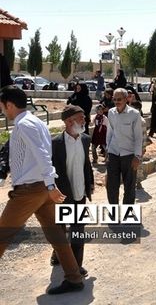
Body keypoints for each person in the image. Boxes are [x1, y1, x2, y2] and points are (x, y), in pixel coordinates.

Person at [0, 86, 84, 295]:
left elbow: (42, 155)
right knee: (56, 234)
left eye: (2, 107)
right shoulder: (36, 121)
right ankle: (74, 278)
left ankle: (74, 277)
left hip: (30, 190)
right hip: (41, 190)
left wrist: (50, 185)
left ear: (9, 105)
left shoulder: (24, 124)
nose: (2, 111)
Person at [49, 105, 95, 277]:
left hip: (80, 192)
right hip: (62, 194)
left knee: (78, 229)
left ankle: (76, 265)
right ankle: (57, 254)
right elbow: (50, 170)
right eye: (81, 118)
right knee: (60, 229)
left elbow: (86, 163)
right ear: (69, 121)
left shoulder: (85, 139)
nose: (84, 120)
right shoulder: (55, 143)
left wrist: (90, 182)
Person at [105, 88, 144, 204]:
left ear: (126, 99)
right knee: (111, 185)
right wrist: (107, 149)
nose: (117, 102)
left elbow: (138, 137)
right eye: (115, 99)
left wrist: (137, 156)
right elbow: (110, 132)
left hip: (129, 154)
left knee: (129, 186)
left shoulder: (134, 114)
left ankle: (128, 211)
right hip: (113, 152)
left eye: (119, 99)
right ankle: (114, 211)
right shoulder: (111, 112)